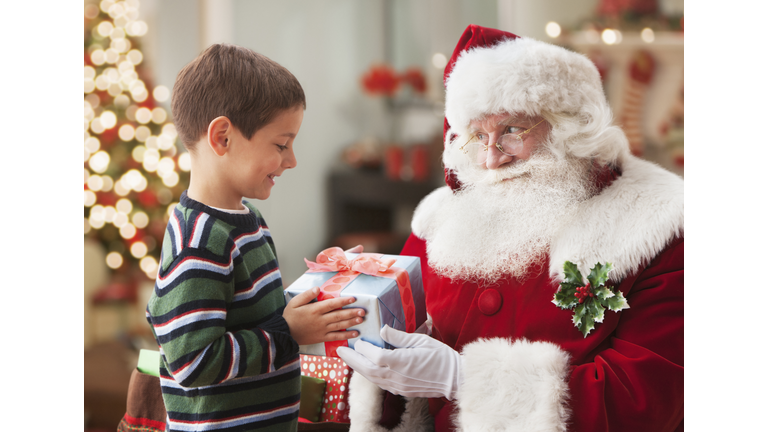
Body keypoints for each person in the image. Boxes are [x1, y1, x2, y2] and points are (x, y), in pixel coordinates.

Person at [338, 25, 684, 432]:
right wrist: (360, 308)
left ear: (570, 126)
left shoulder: (659, 225)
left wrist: (462, 378)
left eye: (511, 131)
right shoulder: (438, 218)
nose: (490, 159)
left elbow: (643, 401)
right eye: (477, 136)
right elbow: (389, 362)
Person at [144, 44, 366, 432]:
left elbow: (258, 313)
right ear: (223, 138)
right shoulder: (200, 242)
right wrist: (288, 334)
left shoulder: (249, 220)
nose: (291, 159)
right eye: (281, 145)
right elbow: (192, 362)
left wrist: (322, 287)